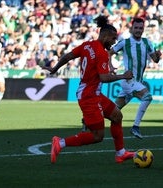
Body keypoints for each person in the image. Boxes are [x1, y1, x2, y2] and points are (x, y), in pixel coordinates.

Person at [42, 15, 135, 164]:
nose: (114, 42)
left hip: (93, 93)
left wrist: (54, 68)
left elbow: (68, 56)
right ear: (105, 36)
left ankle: (121, 153)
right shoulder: (101, 53)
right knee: (98, 136)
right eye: (112, 39)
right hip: (89, 96)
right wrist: (123, 76)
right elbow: (104, 78)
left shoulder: (87, 45)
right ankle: (60, 143)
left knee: (117, 116)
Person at [109, 17, 162, 139]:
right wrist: (111, 66)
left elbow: (155, 59)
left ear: (143, 29)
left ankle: (88, 121)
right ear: (131, 28)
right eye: (136, 28)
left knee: (113, 110)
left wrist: (158, 56)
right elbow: (109, 53)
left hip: (138, 81)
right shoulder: (125, 42)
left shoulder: (147, 43)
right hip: (128, 81)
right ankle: (136, 127)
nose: (138, 30)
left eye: (141, 28)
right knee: (147, 97)